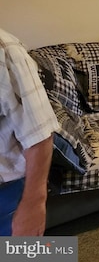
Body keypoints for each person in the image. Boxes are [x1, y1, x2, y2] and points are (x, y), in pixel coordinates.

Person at [0, 27, 59, 236]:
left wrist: (34, 204)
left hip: (7, 194)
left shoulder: (6, 50)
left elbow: (40, 136)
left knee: (23, 254)